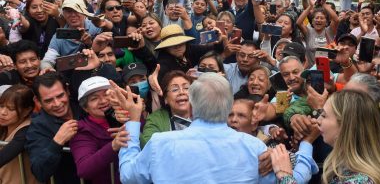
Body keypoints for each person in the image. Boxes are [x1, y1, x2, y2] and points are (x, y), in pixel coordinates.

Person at [110, 73, 277, 183]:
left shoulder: (160, 144)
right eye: (175, 89)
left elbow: (128, 176)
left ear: (191, 107)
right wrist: (304, 145)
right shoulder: (255, 148)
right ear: (228, 108)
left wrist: (132, 120)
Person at [271, 90, 380, 183]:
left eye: (323, 115)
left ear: (344, 126)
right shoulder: (346, 163)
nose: (317, 121)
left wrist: (284, 175)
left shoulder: (361, 180)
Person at [25, 72, 84, 183]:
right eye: (48, 100)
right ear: (38, 102)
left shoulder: (83, 105)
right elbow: (39, 171)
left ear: (67, 91)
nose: (57, 104)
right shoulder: (38, 127)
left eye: (60, 96)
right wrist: (57, 142)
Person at [70, 76, 121, 184]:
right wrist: (114, 145)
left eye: (107, 94)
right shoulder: (82, 131)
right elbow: (84, 169)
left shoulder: (128, 115)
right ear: (85, 108)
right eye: (94, 98)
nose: (103, 101)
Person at [140, 70, 192, 147]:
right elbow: (149, 146)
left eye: (186, 88)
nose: (181, 92)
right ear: (165, 99)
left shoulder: (206, 113)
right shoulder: (155, 119)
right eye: (175, 89)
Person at [0, 85, 39, 184]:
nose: (3, 112)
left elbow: (3, 156)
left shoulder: (28, 130)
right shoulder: (5, 126)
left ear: (26, 111)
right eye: (1, 106)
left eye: (11, 109)